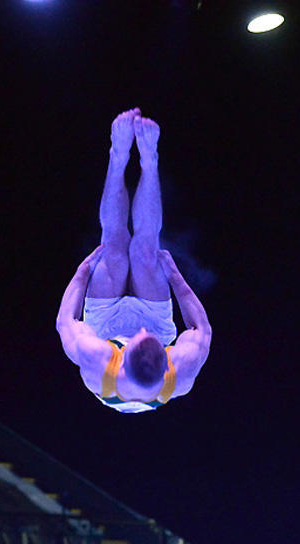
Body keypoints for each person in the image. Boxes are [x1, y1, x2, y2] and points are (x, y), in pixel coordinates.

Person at [56, 109, 212, 412]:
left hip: (105, 326)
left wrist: (80, 274)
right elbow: (202, 330)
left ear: (121, 359)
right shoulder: (180, 373)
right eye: (146, 336)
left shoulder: (96, 358)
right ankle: (150, 160)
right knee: (144, 252)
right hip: (156, 319)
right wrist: (176, 279)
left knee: (113, 247)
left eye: (138, 337)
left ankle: (117, 154)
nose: (139, 331)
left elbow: (65, 321)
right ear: (167, 361)